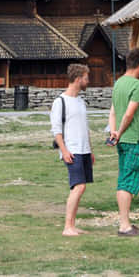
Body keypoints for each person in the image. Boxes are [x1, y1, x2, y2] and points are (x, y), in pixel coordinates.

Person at [108, 48, 139, 236]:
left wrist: (114, 132)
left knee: (124, 178)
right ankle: (124, 225)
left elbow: (113, 112)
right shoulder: (137, 85)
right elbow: (129, 114)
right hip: (134, 139)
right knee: (128, 181)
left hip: (122, 140)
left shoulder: (118, 83)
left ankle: (125, 223)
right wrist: (121, 131)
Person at [50, 63, 93, 236]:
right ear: (78, 79)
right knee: (78, 186)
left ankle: (73, 225)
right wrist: (64, 151)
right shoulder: (60, 102)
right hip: (72, 150)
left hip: (84, 150)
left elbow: (85, 127)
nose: (88, 81)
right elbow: (56, 130)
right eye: (86, 78)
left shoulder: (81, 102)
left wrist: (90, 150)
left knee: (80, 187)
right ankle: (67, 227)